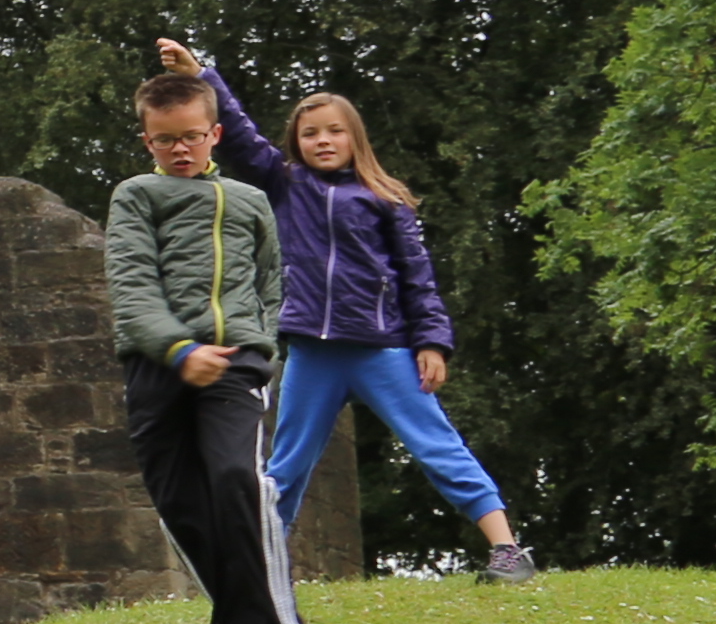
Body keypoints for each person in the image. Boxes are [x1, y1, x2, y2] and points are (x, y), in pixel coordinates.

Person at [155, 40, 539, 583]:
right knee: (286, 466)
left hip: (383, 348)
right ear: (296, 144)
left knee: (437, 445)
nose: (323, 140)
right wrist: (202, 75)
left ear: (353, 137)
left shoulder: (386, 199)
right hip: (313, 351)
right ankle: (260, 571)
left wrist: (432, 342)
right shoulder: (286, 186)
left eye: (334, 131)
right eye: (310, 133)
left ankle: (507, 551)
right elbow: (239, 135)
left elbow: (417, 278)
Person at [109, 64, 312, 624]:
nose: (181, 149)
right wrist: (178, 349)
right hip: (157, 369)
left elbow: (271, 285)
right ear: (148, 142)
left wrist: (260, 351)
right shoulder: (135, 197)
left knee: (237, 483)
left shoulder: (250, 202)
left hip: (236, 369)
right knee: (183, 509)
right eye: (166, 140)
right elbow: (132, 287)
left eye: (192, 136)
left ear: (214, 133)